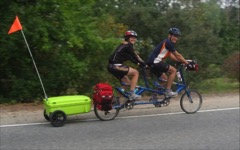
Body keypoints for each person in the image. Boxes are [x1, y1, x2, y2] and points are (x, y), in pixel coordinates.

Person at [147, 27, 189, 97]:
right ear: (169, 35)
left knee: (164, 79)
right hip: (156, 62)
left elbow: (170, 55)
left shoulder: (167, 43)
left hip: (152, 63)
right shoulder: (168, 42)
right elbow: (178, 55)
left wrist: (179, 61)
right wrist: (186, 63)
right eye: (174, 36)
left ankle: (154, 96)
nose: (176, 38)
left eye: (177, 37)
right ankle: (168, 91)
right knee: (173, 71)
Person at [107, 30, 147, 100]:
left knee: (126, 82)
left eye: (135, 38)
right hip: (116, 65)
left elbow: (132, 58)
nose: (134, 39)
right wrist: (145, 65)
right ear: (127, 38)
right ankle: (132, 93)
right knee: (136, 73)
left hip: (111, 66)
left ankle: (115, 101)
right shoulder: (128, 45)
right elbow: (135, 56)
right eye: (132, 37)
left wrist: (139, 63)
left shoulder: (124, 46)